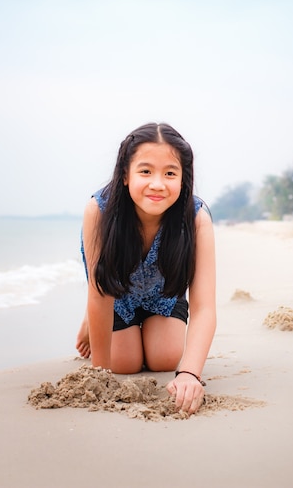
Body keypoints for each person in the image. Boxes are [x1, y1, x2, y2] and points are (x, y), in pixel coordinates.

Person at [76, 122, 216, 415]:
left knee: (164, 359)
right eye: (145, 171)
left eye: (170, 173)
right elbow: (101, 291)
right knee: (123, 364)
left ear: (183, 179)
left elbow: (204, 307)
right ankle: (89, 319)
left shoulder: (196, 217)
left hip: (162, 294)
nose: (157, 184)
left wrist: (190, 374)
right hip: (115, 292)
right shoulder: (100, 210)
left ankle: (146, 323)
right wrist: (100, 374)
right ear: (125, 175)